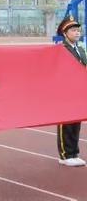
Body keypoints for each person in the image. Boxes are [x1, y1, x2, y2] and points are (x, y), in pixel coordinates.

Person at [56, 15, 87, 167]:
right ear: (65, 33)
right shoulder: (60, 49)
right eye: (74, 30)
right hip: (64, 93)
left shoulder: (80, 49)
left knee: (76, 122)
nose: (77, 33)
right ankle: (65, 154)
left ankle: (74, 152)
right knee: (66, 123)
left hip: (78, 92)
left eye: (78, 30)